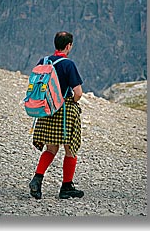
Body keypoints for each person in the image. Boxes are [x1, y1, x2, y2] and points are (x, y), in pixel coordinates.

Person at [29, 31, 84, 199]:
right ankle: (66, 186)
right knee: (70, 148)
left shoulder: (43, 61)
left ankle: (37, 180)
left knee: (51, 148)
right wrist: (72, 102)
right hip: (64, 111)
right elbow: (78, 92)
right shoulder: (69, 64)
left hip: (45, 110)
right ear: (68, 46)